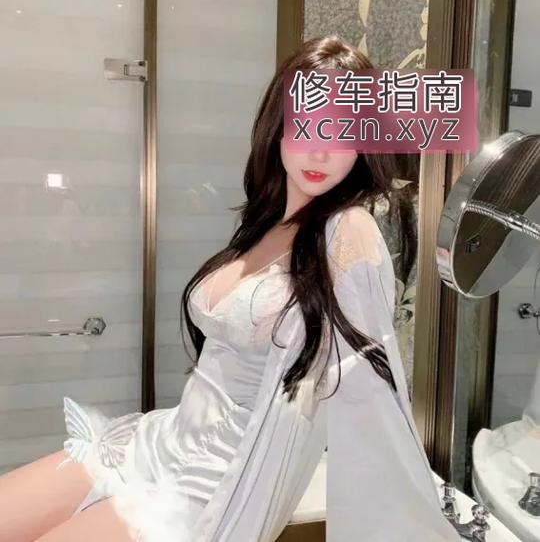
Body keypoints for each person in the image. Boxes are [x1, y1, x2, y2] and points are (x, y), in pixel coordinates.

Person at [0, 36, 461, 542]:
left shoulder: (348, 230)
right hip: (158, 441)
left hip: (210, 486)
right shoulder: (265, 223)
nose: (320, 149)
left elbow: (371, 394)